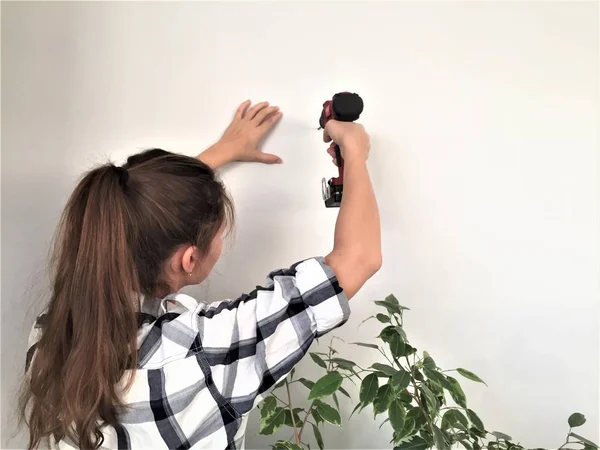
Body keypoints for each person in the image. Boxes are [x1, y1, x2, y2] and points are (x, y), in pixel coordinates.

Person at [19, 100, 381, 450]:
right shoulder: (203, 353)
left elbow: (129, 218)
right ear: (189, 260)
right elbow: (358, 258)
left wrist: (221, 152)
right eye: (220, 234)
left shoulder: (54, 329)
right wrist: (355, 154)